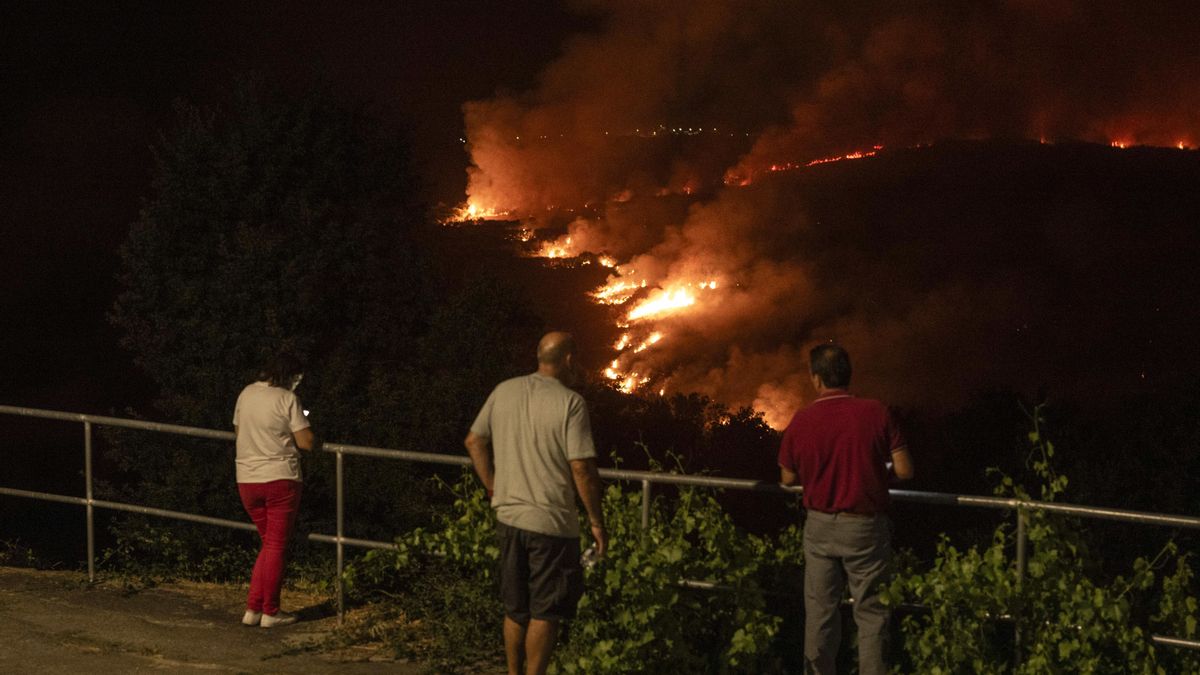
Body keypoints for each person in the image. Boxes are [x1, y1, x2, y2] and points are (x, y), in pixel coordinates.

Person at [465, 332, 607, 675]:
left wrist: (493, 488)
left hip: (509, 517)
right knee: (546, 611)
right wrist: (596, 522)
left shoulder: (505, 390)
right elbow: (581, 468)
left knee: (516, 609)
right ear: (569, 360)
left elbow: (474, 440)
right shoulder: (571, 403)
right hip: (552, 525)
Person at [778, 344, 914, 675]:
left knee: (820, 612)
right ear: (848, 376)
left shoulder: (802, 419)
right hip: (865, 528)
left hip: (820, 526)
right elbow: (906, 469)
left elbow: (787, 478)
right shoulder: (876, 412)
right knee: (871, 614)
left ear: (815, 379)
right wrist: (877, 470)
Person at [232, 352, 318, 628]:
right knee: (276, 546)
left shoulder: (246, 394)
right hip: (280, 478)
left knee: (268, 544)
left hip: (246, 478)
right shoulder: (287, 399)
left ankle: (253, 609)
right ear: (289, 375)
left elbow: (237, 429)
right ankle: (271, 611)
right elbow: (305, 441)